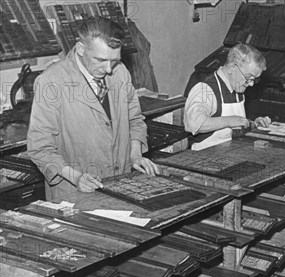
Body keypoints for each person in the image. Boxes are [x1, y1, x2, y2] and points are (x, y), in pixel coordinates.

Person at [27, 17, 158, 201]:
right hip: (74, 192)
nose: (108, 69)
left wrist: (135, 155)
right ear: (81, 49)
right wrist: (77, 177)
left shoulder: (119, 72)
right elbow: (39, 148)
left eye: (114, 60)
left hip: (121, 184)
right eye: (101, 60)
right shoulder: (52, 82)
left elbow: (134, 121)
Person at [184, 43, 271, 150]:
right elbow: (194, 124)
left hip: (231, 151)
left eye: (254, 79)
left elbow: (233, 127)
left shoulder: (237, 87)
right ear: (232, 68)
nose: (251, 84)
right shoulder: (205, 89)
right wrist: (230, 121)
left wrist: (252, 124)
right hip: (204, 156)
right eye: (249, 77)